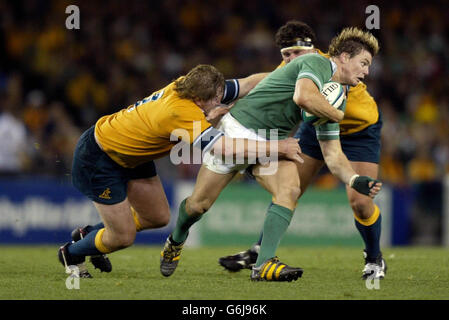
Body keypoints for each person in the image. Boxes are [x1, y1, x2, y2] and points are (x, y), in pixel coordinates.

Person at [160, 27, 382, 282]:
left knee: (289, 189)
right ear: (343, 57)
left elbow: (332, 154)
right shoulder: (316, 63)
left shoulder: (337, 98)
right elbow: (302, 96)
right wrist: (337, 115)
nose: (366, 72)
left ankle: (263, 264)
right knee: (198, 206)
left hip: (272, 140)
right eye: (363, 63)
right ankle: (176, 239)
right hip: (238, 130)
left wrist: (354, 180)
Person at [58, 64, 303, 277]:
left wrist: (290, 76)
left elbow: (248, 83)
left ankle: (88, 235)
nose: (221, 101)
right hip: (100, 158)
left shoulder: (191, 86)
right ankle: (71, 253)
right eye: (216, 100)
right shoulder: (179, 112)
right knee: (122, 237)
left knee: (158, 217)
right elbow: (225, 149)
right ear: (199, 100)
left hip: (130, 154)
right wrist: (279, 146)